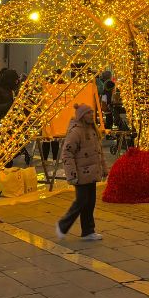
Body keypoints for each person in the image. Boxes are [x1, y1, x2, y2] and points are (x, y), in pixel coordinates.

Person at [55, 103, 107, 241]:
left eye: (92, 113)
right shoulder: (76, 131)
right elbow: (67, 153)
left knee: (90, 203)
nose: (92, 115)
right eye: (89, 113)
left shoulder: (92, 129)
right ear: (82, 116)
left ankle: (88, 231)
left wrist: (104, 169)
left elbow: (99, 152)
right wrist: (72, 175)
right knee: (81, 201)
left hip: (91, 173)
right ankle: (62, 225)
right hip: (80, 174)